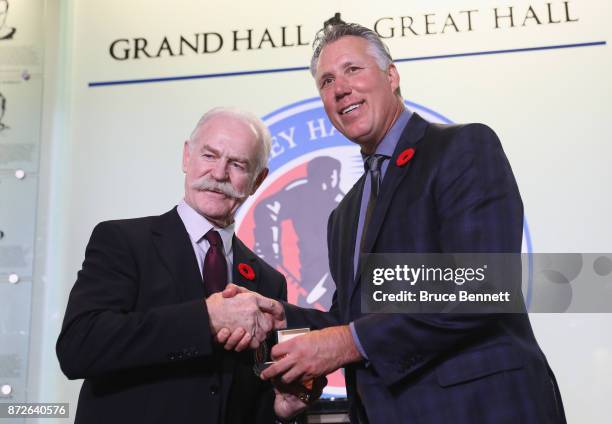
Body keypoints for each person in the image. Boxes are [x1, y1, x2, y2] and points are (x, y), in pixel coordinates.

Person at [224, 20, 567, 423]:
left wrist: (348, 341)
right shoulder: (344, 215)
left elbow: (482, 282)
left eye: (354, 69)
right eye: (327, 80)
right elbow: (355, 316)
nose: (340, 88)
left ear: (392, 75)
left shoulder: (461, 148)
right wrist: (286, 318)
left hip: (483, 408)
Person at [56, 108, 316, 423]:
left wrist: (280, 411)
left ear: (258, 180)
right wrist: (206, 318)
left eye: (237, 164)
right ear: (186, 157)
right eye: (209, 156)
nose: (219, 174)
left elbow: (254, 397)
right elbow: (79, 348)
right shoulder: (122, 241)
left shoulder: (268, 282)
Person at [253, 156, 344, 307]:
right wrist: (269, 254)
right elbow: (267, 208)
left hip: (336, 283)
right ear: (313, 179)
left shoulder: (343, 201)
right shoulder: (301, 195)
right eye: (324, 178)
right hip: (309, 280)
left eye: (333, 178)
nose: (328, 185)